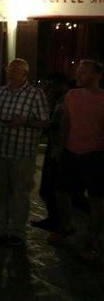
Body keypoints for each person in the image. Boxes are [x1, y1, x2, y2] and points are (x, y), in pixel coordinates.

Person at [0, 58, 49, 247]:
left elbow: (45, 122)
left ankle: (17, 233)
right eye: (10, 70)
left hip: (22, 152)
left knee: (20, 193)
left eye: (16, 70)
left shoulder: (35, 94)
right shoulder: (0, 92)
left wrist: (25, 122)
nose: (11, 73)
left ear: (25, 74)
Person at [48, 60, 104, 262]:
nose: (78, 76)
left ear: (97, 75)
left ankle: (90, 242)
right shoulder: (71, 96)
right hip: (71, 152)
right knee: (60, 191)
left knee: (97, 200)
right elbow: (66, 123)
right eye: (77, 72)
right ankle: (66, 225)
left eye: (83, 72)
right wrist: (59, 148)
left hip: (95, 155)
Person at [31, 72, 70, 231]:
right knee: (49, 188)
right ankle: (56, 220)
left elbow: (58, 126)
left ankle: (60, 222)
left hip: (58, 149)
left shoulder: (67, 101)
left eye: (50, 85)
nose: (48, 88)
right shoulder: (59, 100)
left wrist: (35, 123)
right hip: (55, 147)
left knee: (52, 188)